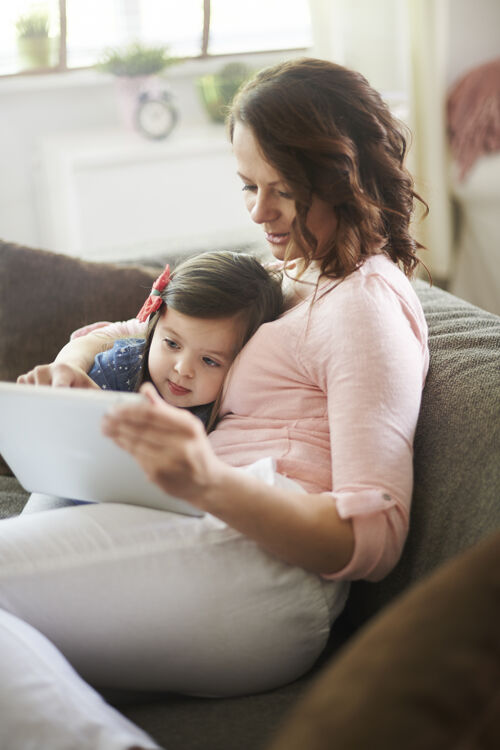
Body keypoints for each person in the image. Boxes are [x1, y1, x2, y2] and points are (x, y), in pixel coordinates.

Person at [2, 57, 429, 750]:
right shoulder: (287, 274)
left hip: (255, 566)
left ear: (342, 178)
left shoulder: (366, 306)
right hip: (189, 525)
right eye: (248, 186)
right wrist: (74, 366)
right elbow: (141, 329)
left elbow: (373, 537)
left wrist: (208, 480)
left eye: (282, 190)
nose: (259, 213)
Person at [86, 250, 284, 429]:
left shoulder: (229, 417)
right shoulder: (117, 368)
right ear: (153, 328)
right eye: (172, 344)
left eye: (209, 360)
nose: (183, 369)